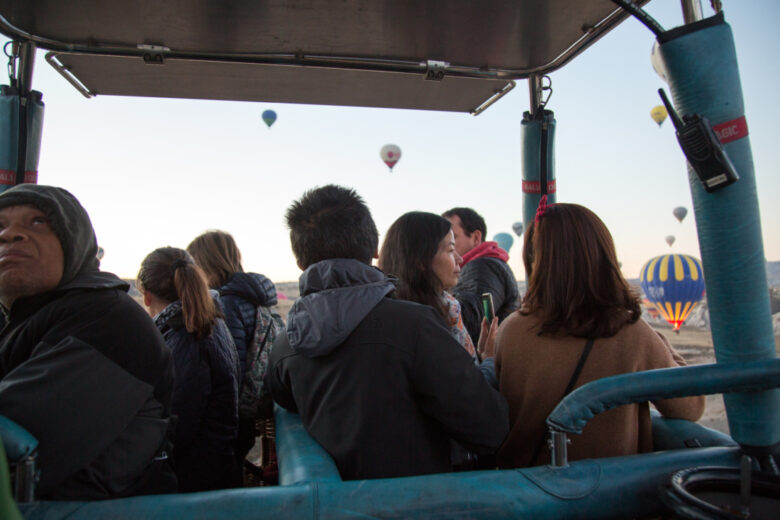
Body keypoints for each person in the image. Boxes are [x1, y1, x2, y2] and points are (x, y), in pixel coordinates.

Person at [266, 185, 509, 480]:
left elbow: (285, 402)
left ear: (300, 262)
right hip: (422, 503)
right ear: (374, 249)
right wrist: (488, 364)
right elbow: (489, 428)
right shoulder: (416, 325)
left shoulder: (284, 346)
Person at [494, 201, 705, 468]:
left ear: (535, 260)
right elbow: (691, 407)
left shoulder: (512, 329)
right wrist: (661, 342)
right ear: (603, 255)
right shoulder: (632, 332)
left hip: (531, 495)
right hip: (608, 498)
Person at [0, 184, 176, 500]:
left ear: (75, 242)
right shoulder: (29, 319)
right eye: (0, 226)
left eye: (38, 221)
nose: (10, 234)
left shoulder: (107, 320)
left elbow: (18, 438)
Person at [137, 247, 240, 492]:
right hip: (213, 469)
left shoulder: (186, 337)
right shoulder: (208, 322)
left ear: (147, 297)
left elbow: (179, 423)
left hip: (196, 479)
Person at [187, 230, 278, 478]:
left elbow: (230, 366)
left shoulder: (226, 301)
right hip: (251, 406)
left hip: (232, 417)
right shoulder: (253, 296)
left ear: (207, 264)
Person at [442, 207, 519, 345]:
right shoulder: (488, 264)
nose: (446, 246)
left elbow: (470, 320)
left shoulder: (482, 266)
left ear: (476, 237)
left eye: (453, 239)